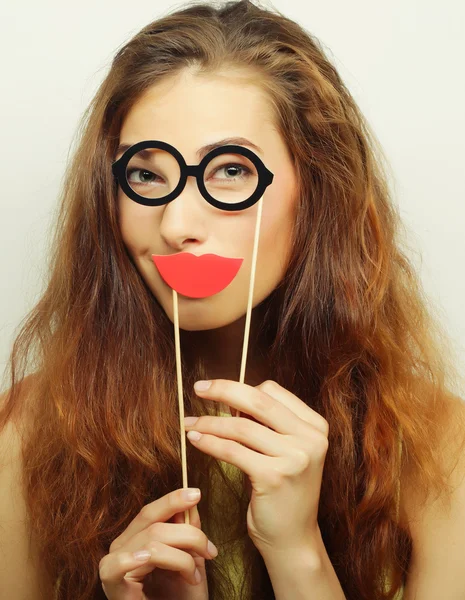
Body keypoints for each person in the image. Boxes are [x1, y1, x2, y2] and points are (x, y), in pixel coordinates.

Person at [1, 0, 465, 598]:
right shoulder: (28, 433)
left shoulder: (440, 447)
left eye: (229, 170)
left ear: (317, 189)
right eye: (145, 175)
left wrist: (297, 555)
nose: (176, 223)